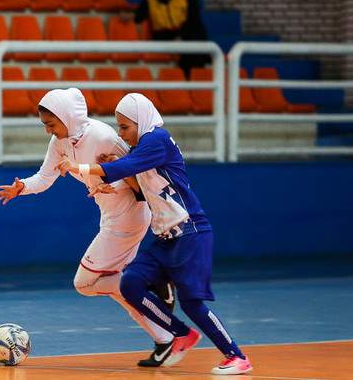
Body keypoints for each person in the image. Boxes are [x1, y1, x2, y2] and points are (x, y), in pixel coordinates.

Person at [56, 93, 253, 375]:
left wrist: (81, 167)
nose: (121, 133)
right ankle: (180, 334)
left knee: (192, 303)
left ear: (141, 121)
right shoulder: (142, 150)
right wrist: (104, 183)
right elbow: (137, 187)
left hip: (190, 232)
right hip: (166, 239)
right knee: (131, 283)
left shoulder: (156, 139)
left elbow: (126, 166)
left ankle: (237, 356)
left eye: (125, 127)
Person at [0, 88, 176, 367]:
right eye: (45, 126)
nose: (49, 132)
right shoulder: (60, 142)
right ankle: (166, 337)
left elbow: (140, 176)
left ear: (68, 117)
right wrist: (22, 188)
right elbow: (45, 177)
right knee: (120, 290)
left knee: (83, 283)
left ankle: (149, 279)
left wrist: (108, 180)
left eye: (52, 125)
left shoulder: (103, 136)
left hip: (129, 217)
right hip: (111, 216)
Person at [130, 0, 209, 77]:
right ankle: (191, 79)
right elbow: (139, 16)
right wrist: (128, 14)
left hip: (184, 32)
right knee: (191, 44)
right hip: (163, 36)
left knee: (196, 33)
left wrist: (180, 36)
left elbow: (194, 18)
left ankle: (194, 78)